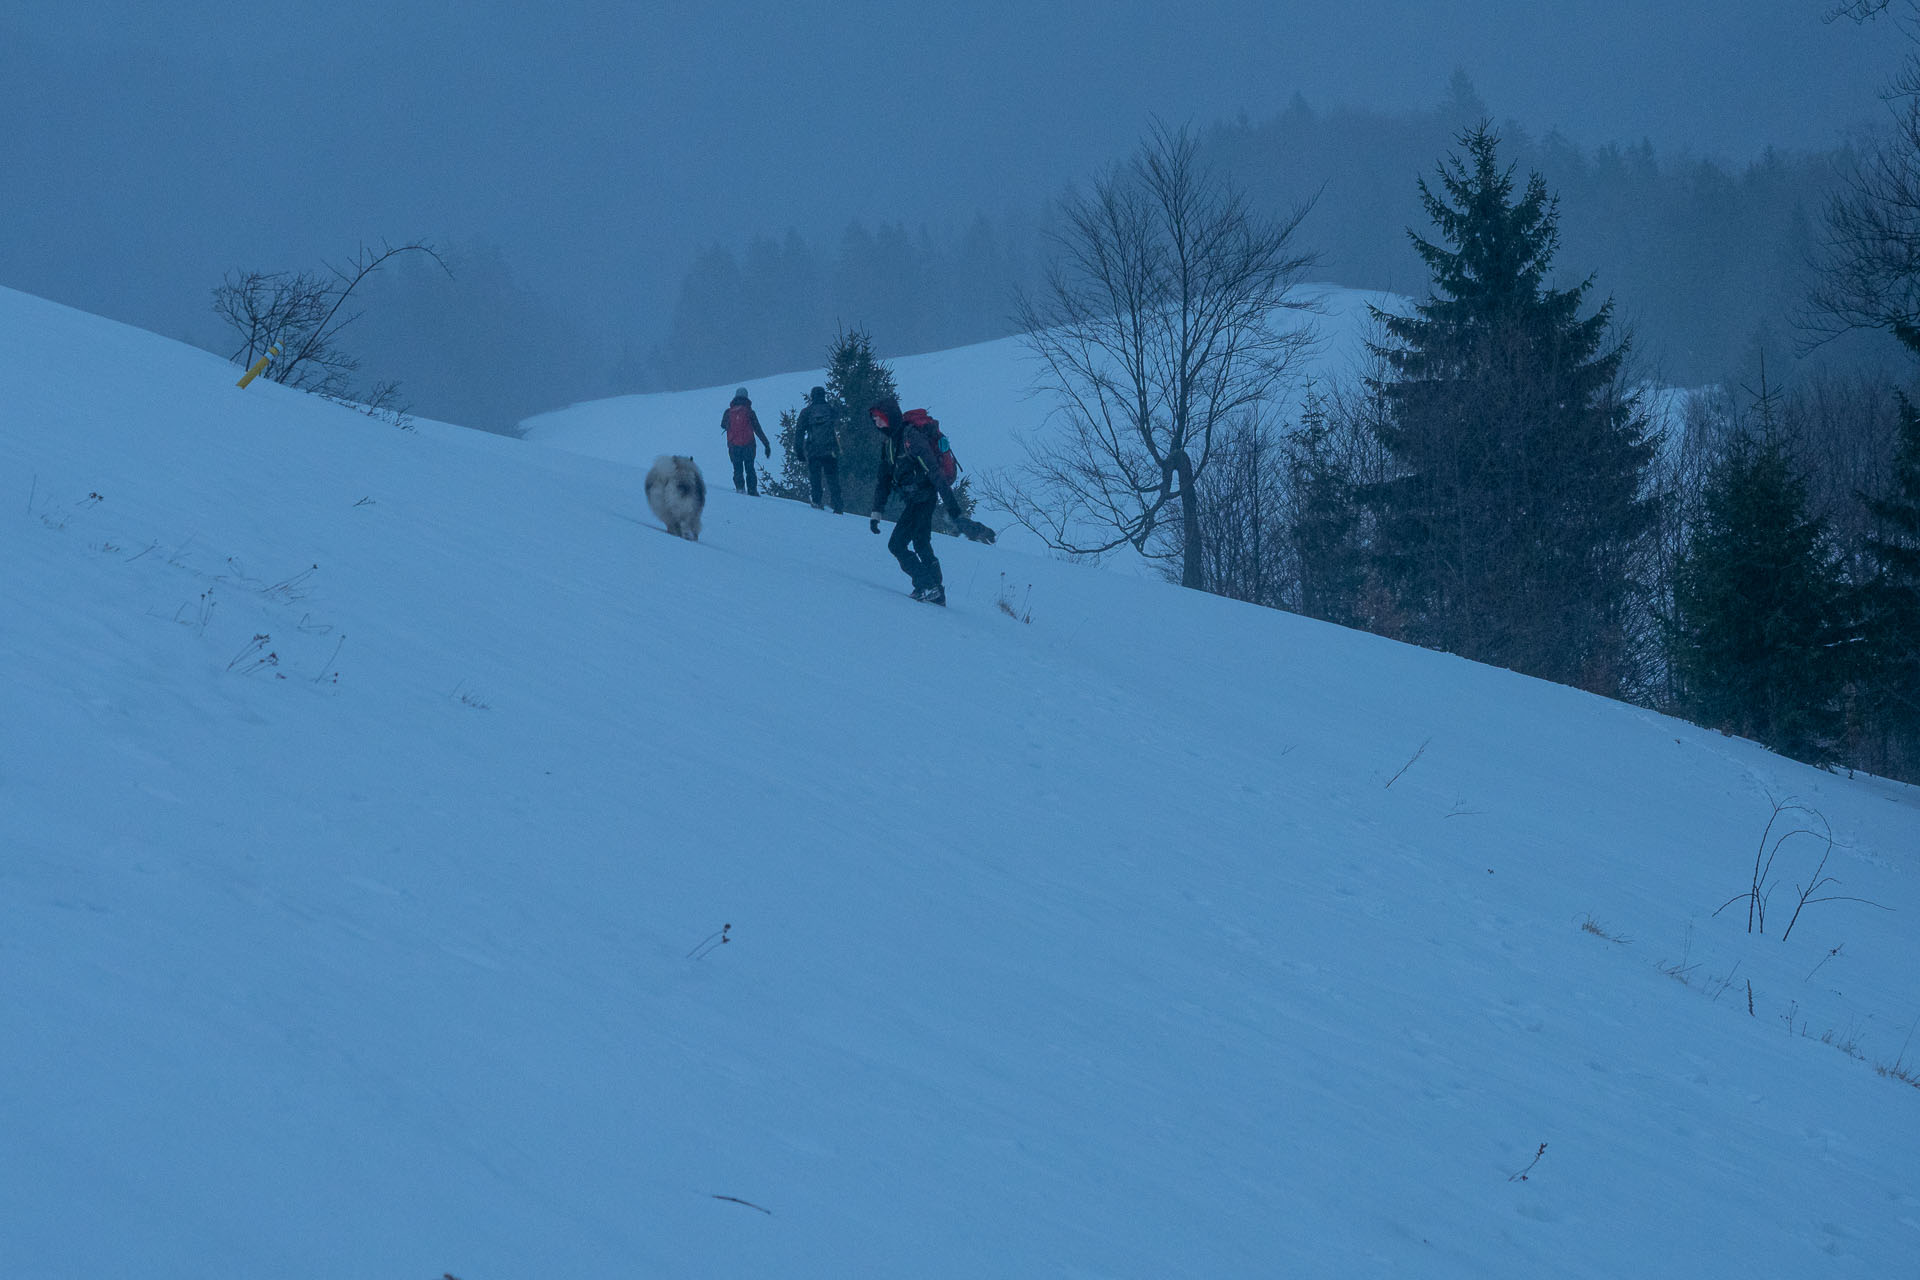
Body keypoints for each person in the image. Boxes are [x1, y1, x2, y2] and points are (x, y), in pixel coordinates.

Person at [868, 396, 966, 605]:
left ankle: (927, 585)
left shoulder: (910, 438)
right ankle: (936, 591)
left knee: (896, 545)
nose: (876, 422)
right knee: (921, 543)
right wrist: (877, 512)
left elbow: (934, 472)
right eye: (874, 418)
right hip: (915, 499)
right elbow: (883, 480)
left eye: (879, 417)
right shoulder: (890, 444)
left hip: (923, 498)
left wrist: (954, 510)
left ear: (890, 417)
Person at [793, 385, 844, 514]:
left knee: (815, 478)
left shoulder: (807, 412)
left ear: (812, 396)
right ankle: (838, 506)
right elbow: (839, 426)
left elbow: (799, 433)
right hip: (830, 451)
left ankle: (817, 502)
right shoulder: (831, 410)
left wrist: (799, 452)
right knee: (833, 479)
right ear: (824, 395)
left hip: (813, 451)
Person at [720, 387, 771, 495]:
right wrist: (766, 444)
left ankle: (740, 489)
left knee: (737, 468)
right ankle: (752, 490)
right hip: (749, 445)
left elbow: (723, 425)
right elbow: (758, 429)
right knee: (750, 468)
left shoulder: (728, 412)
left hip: (733, 445)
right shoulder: (750, 412)